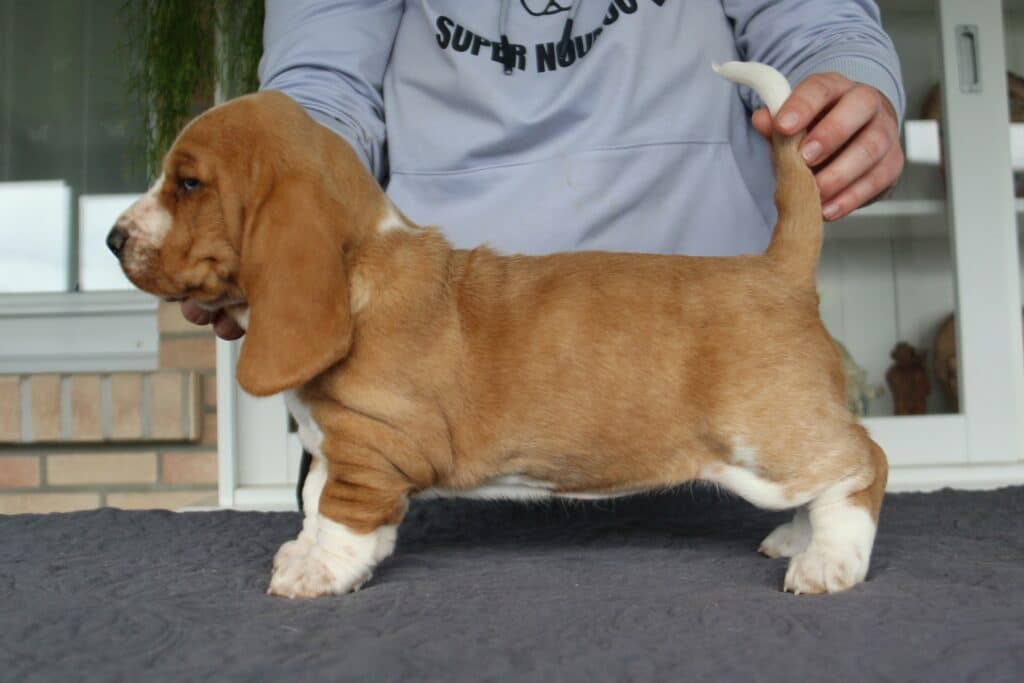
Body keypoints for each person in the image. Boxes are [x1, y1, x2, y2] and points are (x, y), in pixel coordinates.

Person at [181, 0, 905, 507]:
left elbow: (813, 17)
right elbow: (322, 86)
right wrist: (278, 223)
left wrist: (844, 82)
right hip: (407, 402)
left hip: (705, 369)